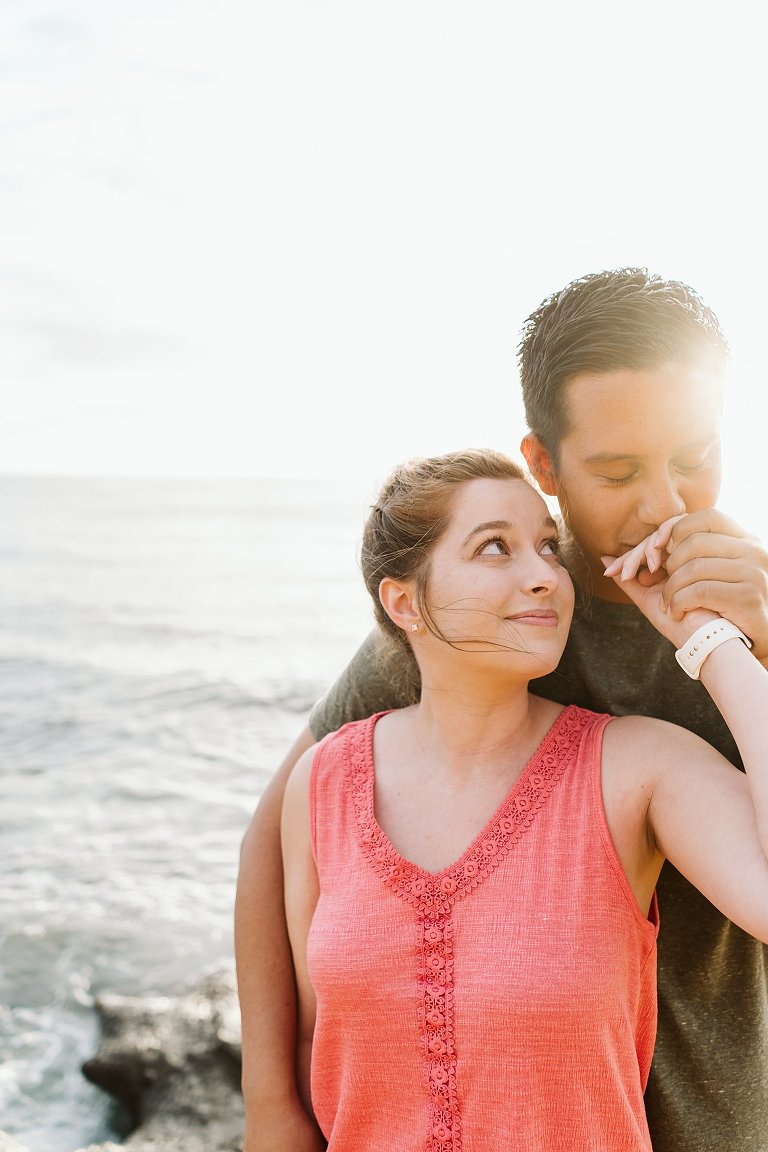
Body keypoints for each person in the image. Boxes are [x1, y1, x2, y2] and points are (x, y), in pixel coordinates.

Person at [235, 269, 768, 1152]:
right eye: (618, 471)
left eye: (693, 459)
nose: (665, 504)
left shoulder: (750, 606)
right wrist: (271, 1104)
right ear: (545, 464)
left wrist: (753, 642)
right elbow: (279, 842)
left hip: (717, 1112)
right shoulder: (484, 620)